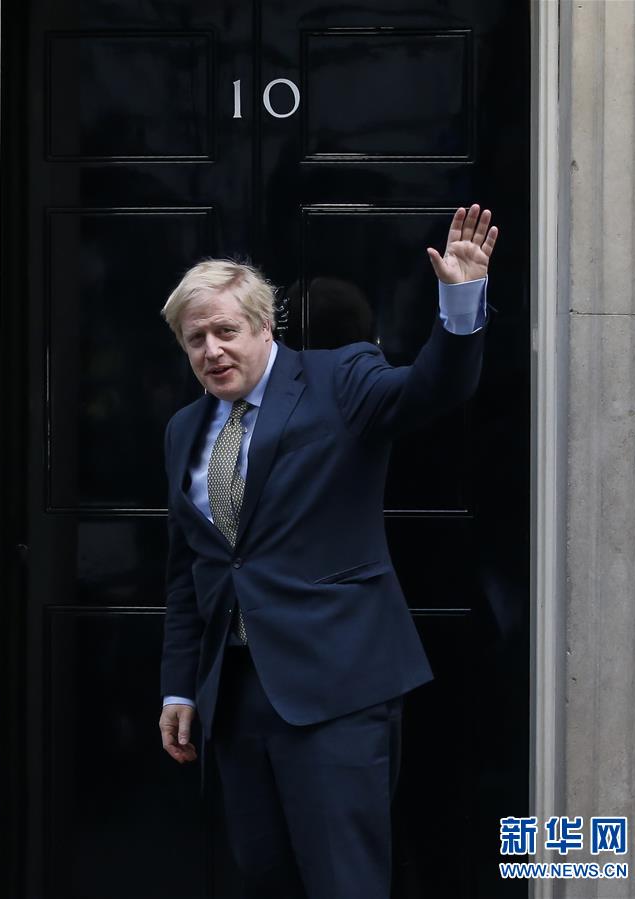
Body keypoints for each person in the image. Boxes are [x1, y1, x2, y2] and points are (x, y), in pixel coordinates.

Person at [158, 204, 498, 898]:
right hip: (236, 699)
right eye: (195, 339)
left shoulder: (340, 378)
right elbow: (190, 571)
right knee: (264, 876)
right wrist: (180, 686)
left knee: (346, 881)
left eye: (225, 331)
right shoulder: (183, 428)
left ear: (264, 326)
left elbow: (432, 390)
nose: (211, 351)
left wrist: (460, 302)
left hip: (336, 689)